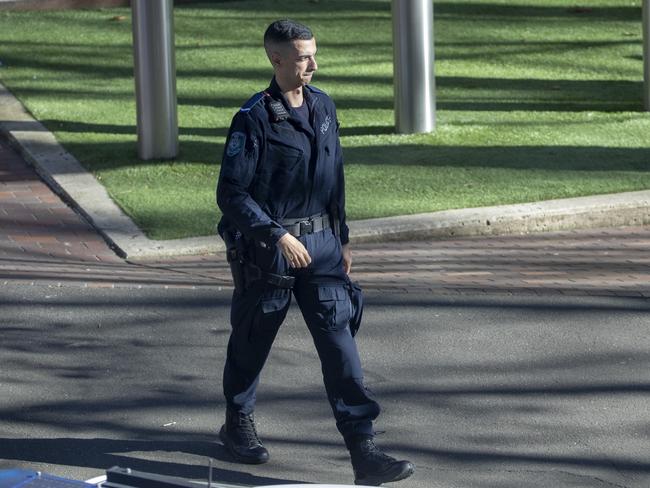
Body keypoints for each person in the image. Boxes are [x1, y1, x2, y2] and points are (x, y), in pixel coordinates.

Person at [216, 19, 414, 486]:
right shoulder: (253, 118)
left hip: (323, 246)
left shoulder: (323, 105)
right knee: (253, 339)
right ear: (276, 59)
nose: (312, 63)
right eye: (303, 56)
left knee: (340, 345)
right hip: (271, 251)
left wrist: (341, 236)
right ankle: (236, 423)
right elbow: (231, 193)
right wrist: (275, 235)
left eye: (313, 54)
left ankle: (364, 452)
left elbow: (333, 177)